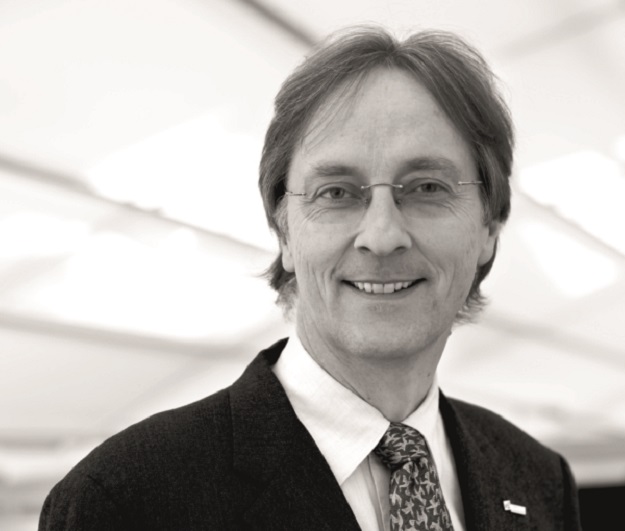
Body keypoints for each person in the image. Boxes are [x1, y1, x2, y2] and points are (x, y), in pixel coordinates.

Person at [40, 26, 582, 530]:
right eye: (337, 193)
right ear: (283, 230)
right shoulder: (127, 500)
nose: (382, 236)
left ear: (489, 226)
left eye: (427, 188)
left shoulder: (537, 479)